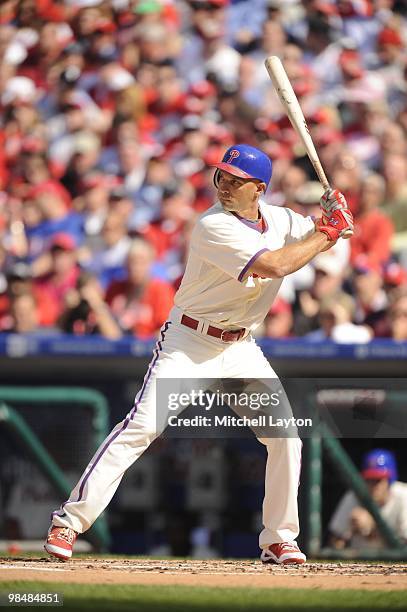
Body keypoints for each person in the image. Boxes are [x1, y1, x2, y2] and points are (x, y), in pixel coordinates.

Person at [44, 144, 354, 565]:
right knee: (141, 427)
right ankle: (69, 522)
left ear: (259, 188)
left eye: (235, 180)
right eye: (221, 176)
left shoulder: (281, 219)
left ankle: (278, 537)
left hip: (241, 347)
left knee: (286, 438)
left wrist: (334, 216)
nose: (224, 185)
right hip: (190, 344)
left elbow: (323, 236)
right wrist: (327, 232)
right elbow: (278, 265)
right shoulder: (213, 226)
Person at [329, 449, 407, 549]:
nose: (373, 485)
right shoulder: (354, 496)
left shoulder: (403, 495)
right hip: (358, 562)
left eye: (378, 480)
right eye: (369, 480)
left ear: (390, 480)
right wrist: (349, 532)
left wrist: (374, 528)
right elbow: (333, 544)